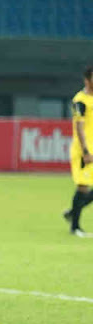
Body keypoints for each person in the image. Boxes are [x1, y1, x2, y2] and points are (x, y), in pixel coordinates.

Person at [63, 66, 93, 237]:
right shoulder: (80, 100)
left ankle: (73, 211)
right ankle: (75, 227)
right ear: (87, 80)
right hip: (84, 151)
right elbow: (80, 128)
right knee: (82, 187)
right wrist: (86, 151)